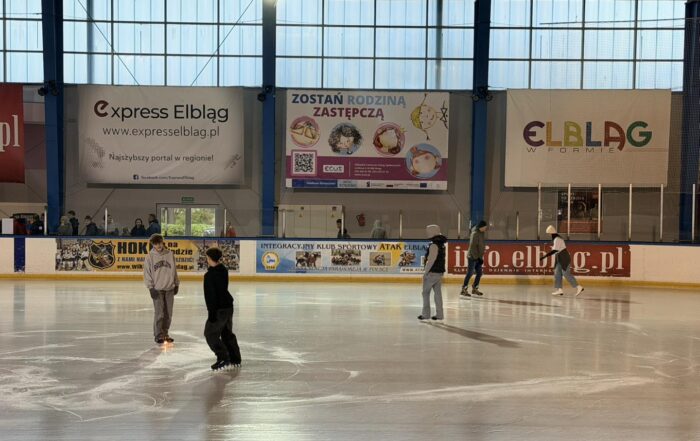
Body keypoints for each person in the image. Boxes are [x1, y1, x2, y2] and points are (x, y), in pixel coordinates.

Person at [203, 246, 241, 371]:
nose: (206, 259)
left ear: (210, 258)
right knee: (227, 333)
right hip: (228, 306)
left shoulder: (209, 276)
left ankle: (223, 357)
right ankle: (235, 358)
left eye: (207, 257)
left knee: (210, 334)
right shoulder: (223, 270)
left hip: (219, 309)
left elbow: (211, 296)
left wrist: (211, 313)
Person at [144, 234, 180, 345]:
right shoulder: (149, 257)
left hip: (169, 288)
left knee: (168, 314)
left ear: (162, 242)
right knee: (159, 313)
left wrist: (176, 283)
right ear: (152, 244)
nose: (158, 245)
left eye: (159, 243)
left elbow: (174, 270)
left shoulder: (170, 254)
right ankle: (158, 335)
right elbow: (147, 273)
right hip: (157, 289)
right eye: (155, 244)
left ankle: (165, 333)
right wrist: (150, 288)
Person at [540, 225, 584, 297]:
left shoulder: (557, 239)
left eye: (549, 233)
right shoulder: (556, 239)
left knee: (566, 274)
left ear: (552, 233)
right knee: (557, 272)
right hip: (559, 257)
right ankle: (559, 290)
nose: (549, 235)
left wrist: (545, 256)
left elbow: (555, 250)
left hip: (564, 257)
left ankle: (579, 287)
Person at [418, 224, 447, 321]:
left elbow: (431, 260)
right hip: (439, 273)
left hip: (432, 273)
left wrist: (425, 272)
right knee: (438, 294)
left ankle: (426, 314)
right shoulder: (442, 245)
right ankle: (440, 314)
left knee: (425, 293)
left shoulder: (434, 245)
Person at [460, 220, 488, 297]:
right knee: (470, 273)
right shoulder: (474, 234)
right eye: (485, 227)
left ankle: (475, 288)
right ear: (481, 227)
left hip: (478, 257)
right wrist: (476, 258)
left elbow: (481, 246)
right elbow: (472, 247)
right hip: (472, 257)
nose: (486, 228)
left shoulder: (482, 233)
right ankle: (464, 289)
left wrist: (480, 257)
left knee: (479, 273)